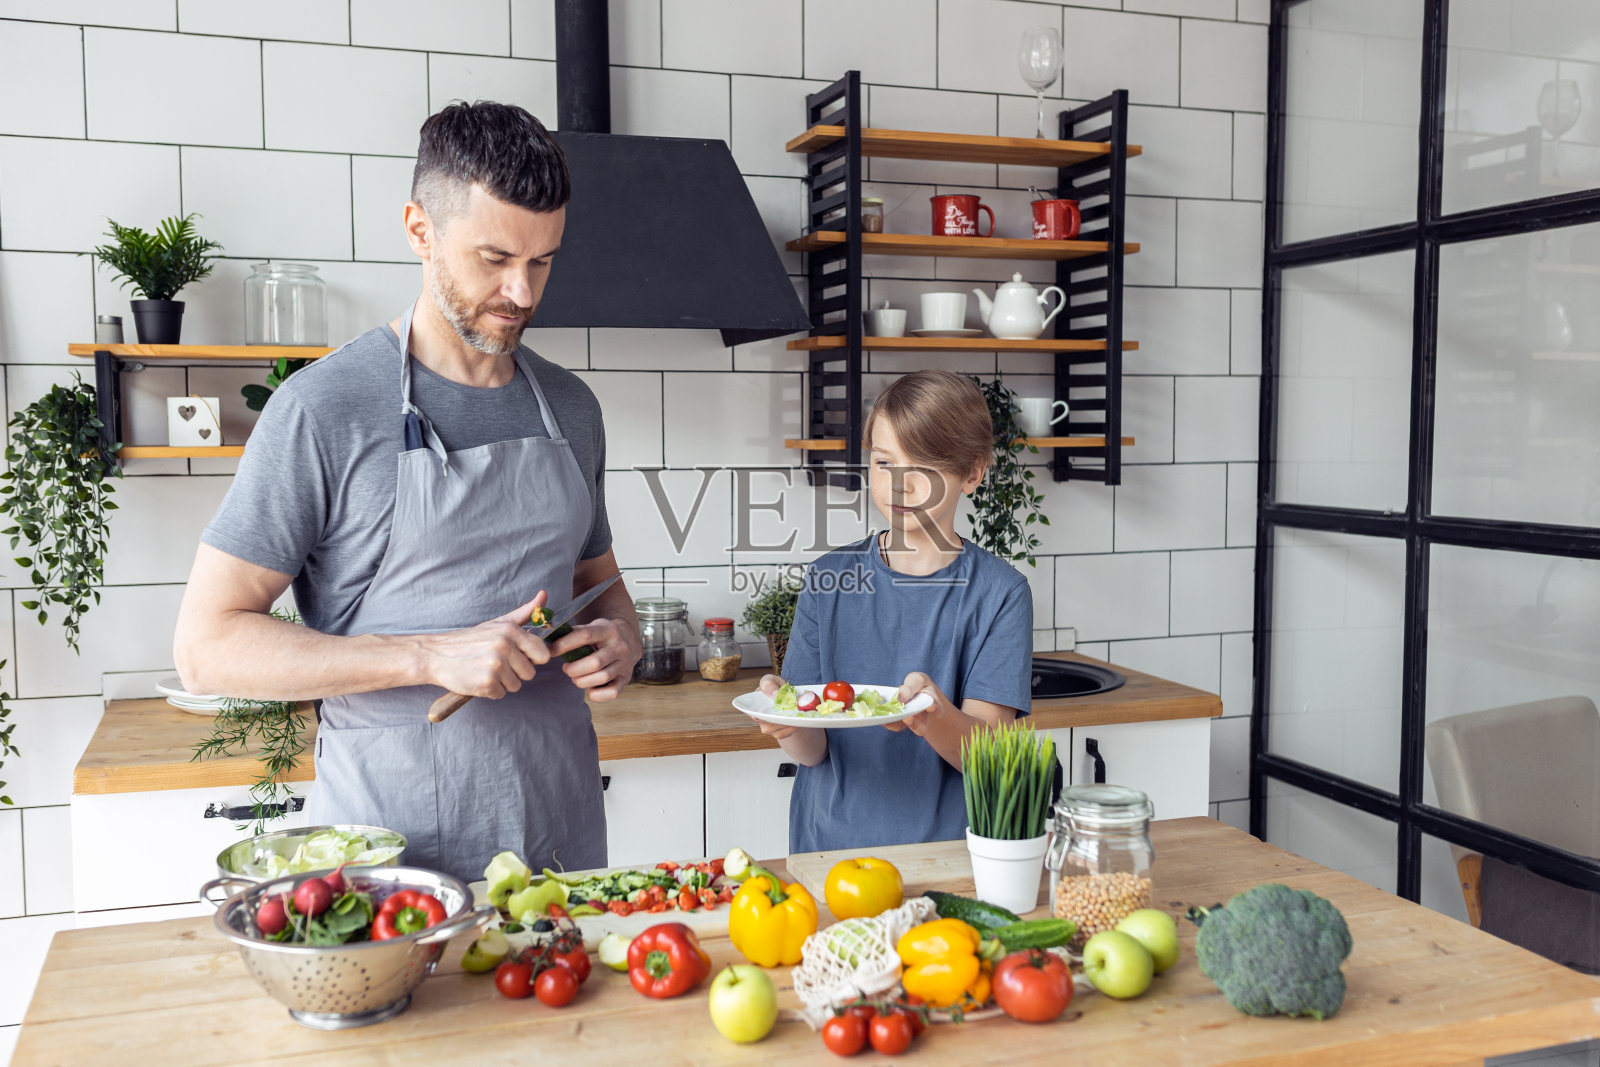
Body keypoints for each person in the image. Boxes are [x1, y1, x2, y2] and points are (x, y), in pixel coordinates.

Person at [173, 101, 641, 881]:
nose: (522, 292)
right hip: (394, 862)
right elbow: (205, 648)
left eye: (542, 261)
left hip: (561, 844)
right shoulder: (323, 409)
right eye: (495, 258)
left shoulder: (571, 408)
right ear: (420, 231)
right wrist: (430, 653)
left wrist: (620, 637)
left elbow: (602, 584)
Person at [751, 370, 1034, 853]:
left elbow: (986, 758)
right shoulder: (828, 579)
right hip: (828, 850)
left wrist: (932, 716)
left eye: (924, 466)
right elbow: (812, 751)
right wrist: (786, 724)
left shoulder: (1001, 594)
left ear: (972, 473)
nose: (899, 485)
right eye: (884, 462)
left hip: (948, 855)